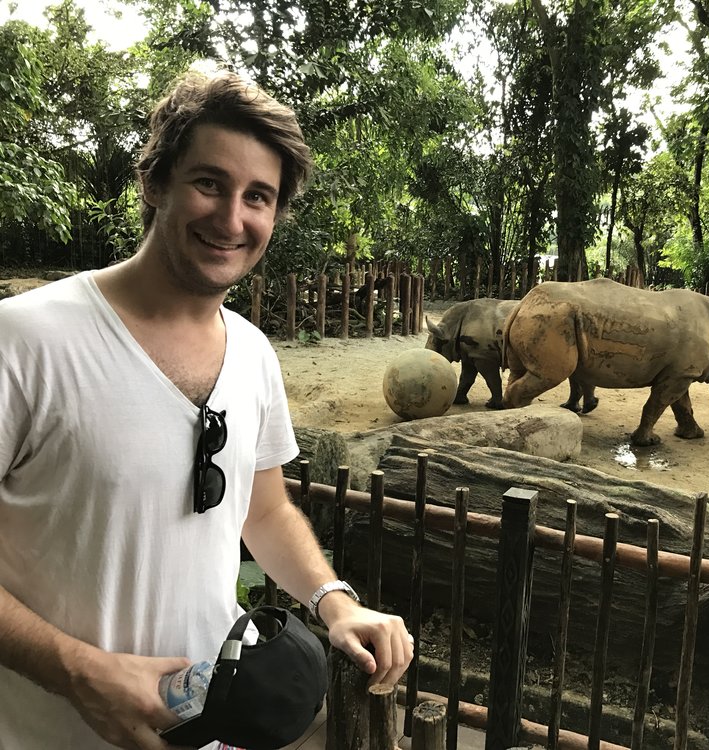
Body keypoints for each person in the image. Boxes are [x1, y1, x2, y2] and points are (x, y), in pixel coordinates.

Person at [0, 69, 413, 749]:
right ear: (155, 182)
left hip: (204, 728)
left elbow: (264, 511)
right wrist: (78, 673)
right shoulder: (26, 341)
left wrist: (335, 603)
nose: (231, 219)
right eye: (209, 183)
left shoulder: (253, 354)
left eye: (258, 197)